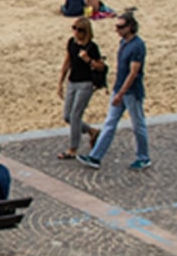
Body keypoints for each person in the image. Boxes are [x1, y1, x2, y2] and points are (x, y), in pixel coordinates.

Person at [80, 9, 149, 169]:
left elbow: (133, 72)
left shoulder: (137, 46)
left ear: (130, 27)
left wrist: (121, 93)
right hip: (120, 90)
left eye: (120, 27)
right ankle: (95, 157)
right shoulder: (124, 43)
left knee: (138, 125)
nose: (117, 30)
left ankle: (143, 156)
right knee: (110, 123)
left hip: (131, 92)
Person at [57, 17, 106, 160]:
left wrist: (88, 60)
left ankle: (73, 148)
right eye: (74, 28)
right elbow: (67, 62)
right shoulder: (71, 43)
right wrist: (60, 82)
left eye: (79, 30)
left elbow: (101, 66)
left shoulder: (92, 47)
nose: (76, 32)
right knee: (67, 116)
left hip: (86, 83)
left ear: (86, 32)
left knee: (75, 115)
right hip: (72, 82)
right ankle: (91, 131)